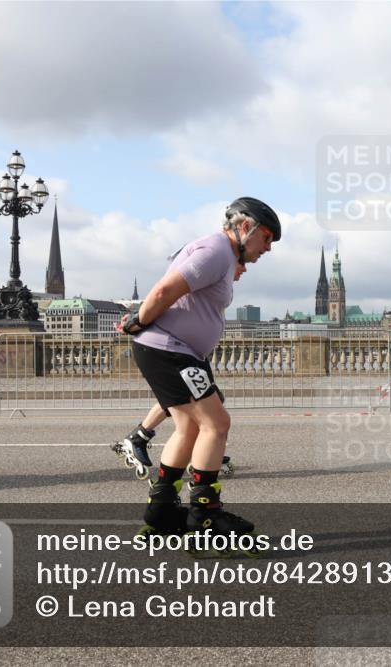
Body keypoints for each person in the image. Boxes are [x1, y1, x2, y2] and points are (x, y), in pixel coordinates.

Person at [124, 197, 278, 551]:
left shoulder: (220, 254)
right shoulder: (216, 252)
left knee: (189, 428)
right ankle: (206, 517)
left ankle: (162, 511)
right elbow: (165, 290)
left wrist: (140, 322)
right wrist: (140, 320)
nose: (268, 248)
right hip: (171, 350)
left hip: (174, 351)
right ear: (245, 227)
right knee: (216, 424)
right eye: (267, 238)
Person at [110, 263, 246, 481]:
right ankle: (193, 452)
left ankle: (155, 444)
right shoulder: (214, 267)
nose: (244, 269)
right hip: (174, 349)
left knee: (188, 401)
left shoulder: (220, 281)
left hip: (191, 352)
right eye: (242, 263)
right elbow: (167, 295)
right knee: (196, 404)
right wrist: (137, 318)